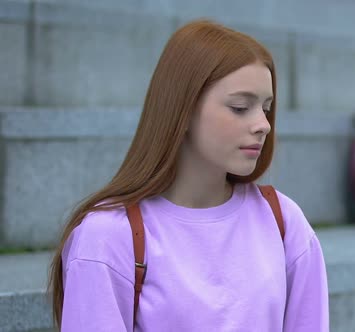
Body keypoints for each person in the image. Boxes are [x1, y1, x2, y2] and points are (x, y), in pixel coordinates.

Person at [48, 20, 329, 331]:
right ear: (181, 109)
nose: (263, 124)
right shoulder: (107, 235)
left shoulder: (284, 221)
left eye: (266, 107)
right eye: (240, 107)